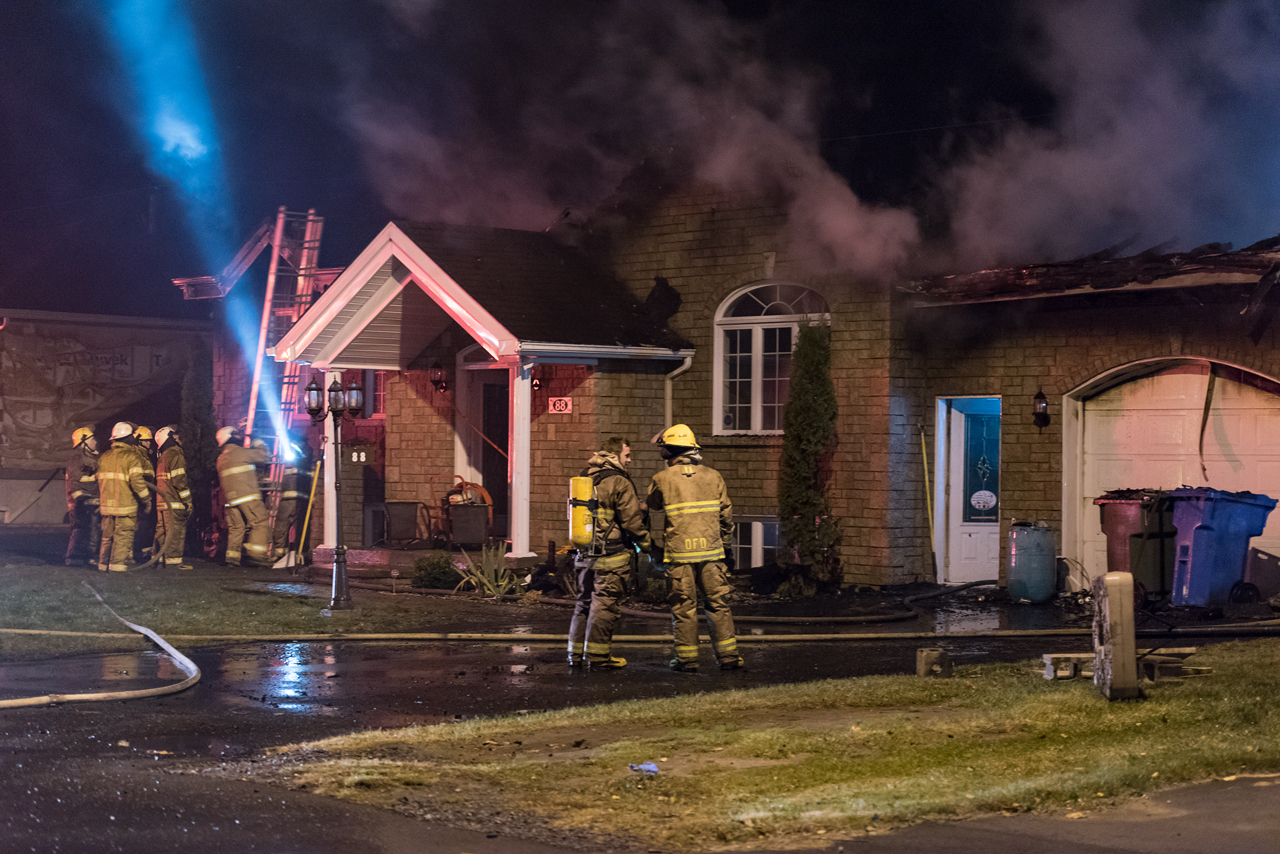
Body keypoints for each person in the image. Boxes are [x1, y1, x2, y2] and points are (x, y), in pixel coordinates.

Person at [647, 424, 744, 672]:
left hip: (679, 556)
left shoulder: (662, 479)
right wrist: (726, 549)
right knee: (718, 605)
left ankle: (687, 660)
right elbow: (726, 518)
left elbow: (653, 505)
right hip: (712, 554)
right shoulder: (714, 476)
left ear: (670, 451)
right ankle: (729, 657)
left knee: (684, 607)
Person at [567, 437, 651, 669]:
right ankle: (598, 657)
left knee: (583, 604)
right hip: (611, 557)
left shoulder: (585, 477)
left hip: (584, 554)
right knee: (604, 605)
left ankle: (574, 655)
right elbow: (632, 523)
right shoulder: (618, 481)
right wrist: (648, 545)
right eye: (627, 455)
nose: (630, 459)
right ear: (614, 457)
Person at [96, 421, 152, 572]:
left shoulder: (104, 456)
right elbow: (138, 483)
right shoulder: (131, 456)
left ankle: (103, 564)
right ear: (128, 438)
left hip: (107, 505)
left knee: (107, 536)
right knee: (122, 535)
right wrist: (147, 500)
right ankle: (117, 565)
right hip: (125, 505)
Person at [215, 426, 272, 567]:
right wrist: (257, 440)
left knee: (237, 527)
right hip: (248, 496)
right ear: (232, 437)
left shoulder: (221, 458)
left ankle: (232, 559)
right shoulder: (241, 453)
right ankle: (257, 556)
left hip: (231, 500)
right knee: (260, 522)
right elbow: (265, 456)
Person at [154, 425, 193, 569]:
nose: (178, 438)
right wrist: (188, 500)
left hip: (162, 502)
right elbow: (179, 481)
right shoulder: (175, 454)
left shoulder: (162, 456)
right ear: (170, 438)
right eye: (175, 436)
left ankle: (159, 560)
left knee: (162, 532)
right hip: (174, 502)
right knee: (175, 532)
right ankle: (173, 562)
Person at [272, 439, 313, 567]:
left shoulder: (291, 456)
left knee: (281, 524)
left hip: (288, 499)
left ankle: (280, 553)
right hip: (304, 500)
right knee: (301, 528)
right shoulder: (308, 458)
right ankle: (300, 554)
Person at [65, 426, 101, 568]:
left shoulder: (94, 457)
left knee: (93, 530)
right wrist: (80, 499)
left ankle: (89, 557)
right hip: (81, 501)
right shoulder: (77, 458)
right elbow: (73, 481)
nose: (95, 442)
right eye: (92, 439)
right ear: (84, 441)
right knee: (79, 529)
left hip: (92, 499)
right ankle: (74, 559)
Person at [132, 425, 159, 563]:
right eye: (147, 440)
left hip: (146, 494)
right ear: (138, 441)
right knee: (140, 526)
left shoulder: (145, 455)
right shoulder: (137, 455)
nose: (149, 443)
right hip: (139, 496)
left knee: (145, 525)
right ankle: (138, 553)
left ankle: (144, 552)